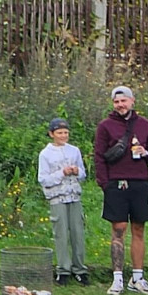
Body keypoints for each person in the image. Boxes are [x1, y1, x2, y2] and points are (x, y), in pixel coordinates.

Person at [94, 85, 148, 295]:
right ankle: (117, 279)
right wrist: (104, 184)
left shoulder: (145, 125)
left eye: (124, 101)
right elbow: (99, 156)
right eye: (116, 102)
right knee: (119, 229)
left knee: (139, 229)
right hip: (116, 184)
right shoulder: (105, 126)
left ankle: (138, 278)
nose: (120, 105)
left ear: (132, 101)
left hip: (140, 183)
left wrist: (145, 152)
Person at [37, 117, 89, 286]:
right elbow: (43, 179)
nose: (63, 136)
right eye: (59, 133)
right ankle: (63, 270)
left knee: (77, 233)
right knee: (61, 234)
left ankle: (80, 269)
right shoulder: (45, 154)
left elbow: (83, 174)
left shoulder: (74, 150)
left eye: (66, 132)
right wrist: (62, 173)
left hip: (74, 196)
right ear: (51, 134)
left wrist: (76, 170)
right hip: (57, 197)